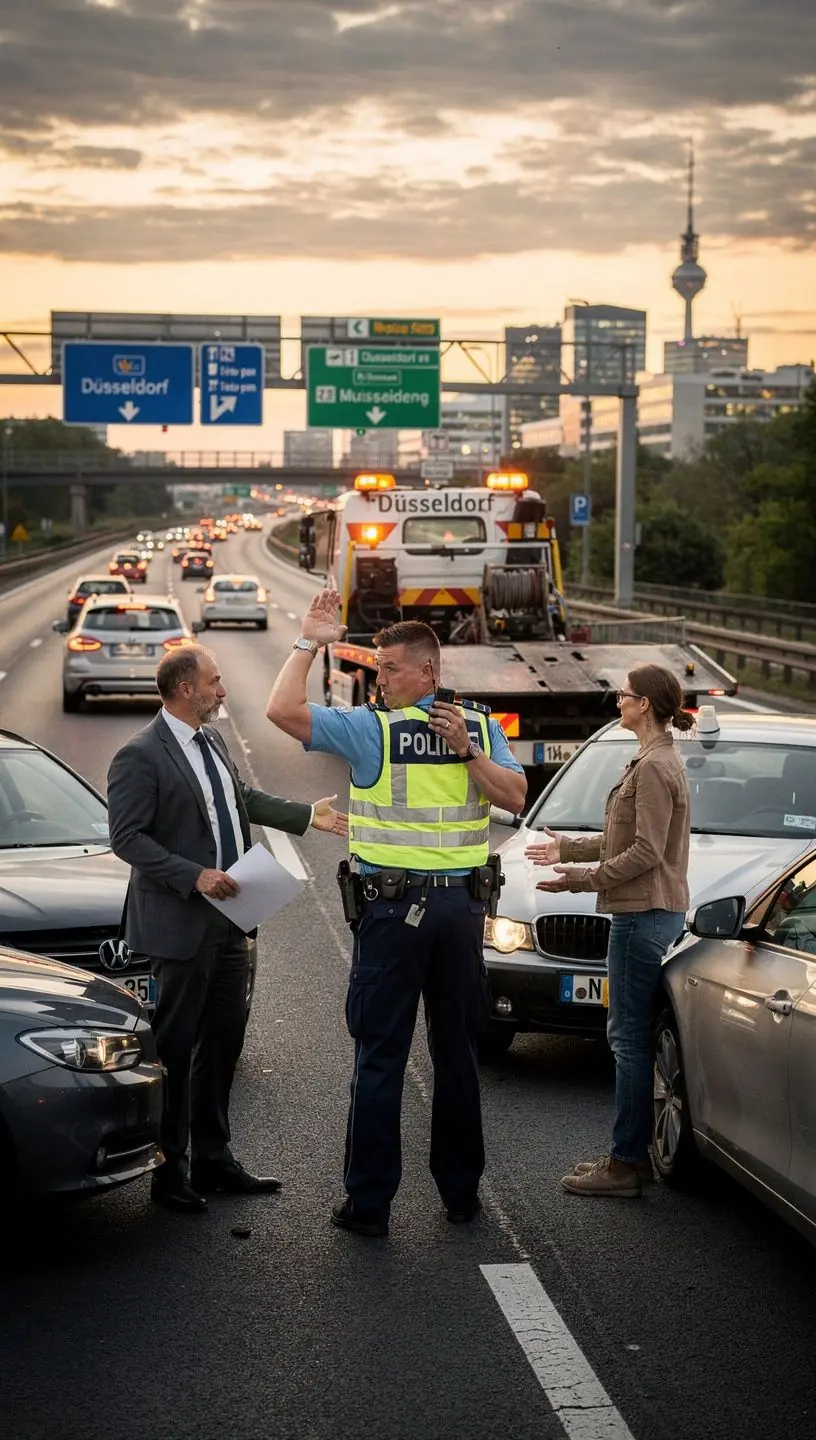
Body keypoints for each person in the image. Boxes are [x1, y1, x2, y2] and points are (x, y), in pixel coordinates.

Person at [265, 587, 527, 1237]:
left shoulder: (408, 730)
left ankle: (383, 1202)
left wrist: (308, 642)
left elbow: (515, 797)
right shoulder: (406, 725)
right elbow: (282, 713)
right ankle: (434, 1198)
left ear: (429, 673)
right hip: (447, 913)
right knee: (438, 1053)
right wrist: (311, 639)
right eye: (378, 669)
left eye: (390, 669)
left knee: (399, 1056)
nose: (379, 680)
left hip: (405, 914)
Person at [107, 644, 348, 1215]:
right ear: (186, 689)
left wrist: (306, 816)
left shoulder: (212, 741)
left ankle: (214, 1159)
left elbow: (240, 800)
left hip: (231, 922)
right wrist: (194, 876)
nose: (222, 690)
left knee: (222, 1044)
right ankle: (169, 1172)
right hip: (180, 924)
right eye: (214, 681)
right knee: (175, 1047)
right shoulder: (140, 755)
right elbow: (128, 838)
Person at [525, 664, 693, 1198]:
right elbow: (626, 838)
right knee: (632, 1036)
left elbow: (646, 853)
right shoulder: (652, 759)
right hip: (645, 912)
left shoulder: (654, 767)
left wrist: (580, 879)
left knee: (628, 1039)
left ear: (644, 704)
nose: (618, 701)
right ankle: (630, 1156)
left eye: (623, 694)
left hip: (642, 916)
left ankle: (624, 1165)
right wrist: (567, 848)